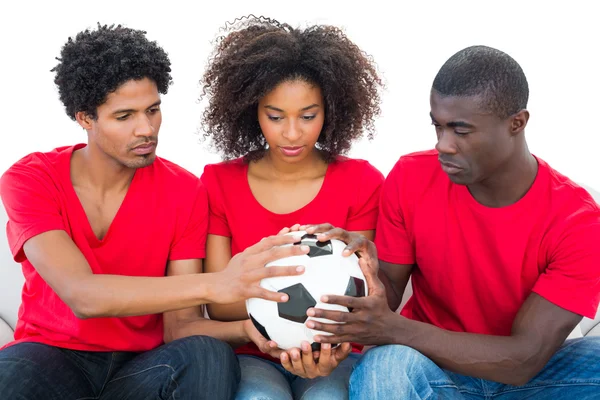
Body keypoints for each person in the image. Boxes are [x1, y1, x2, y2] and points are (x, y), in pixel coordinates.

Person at [0, 23, 308, 400]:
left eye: (153, 109)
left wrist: (251, 329)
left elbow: (181, 326)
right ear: (85, 118)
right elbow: (83, 296)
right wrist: (219, 283)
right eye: (124, 116)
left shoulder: (184, 190)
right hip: (52, 358)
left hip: (143, 366)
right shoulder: (31, 179)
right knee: (10, 372)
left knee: (208, 354)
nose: (146, 129)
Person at [297, 45, 600, 399]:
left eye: (461, 131)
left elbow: (523, 359)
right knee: (386, 367)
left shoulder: (578, 222)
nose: (444, 145)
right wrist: (358, 268)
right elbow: (390, 292)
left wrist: (395, 329)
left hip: (534, 377)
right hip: (429, 366)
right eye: (438, 127)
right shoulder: (411, 177)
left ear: (516, 123)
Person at [197, 15, 385, 400]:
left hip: (336, 353)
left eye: (308, 115)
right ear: (252, 110)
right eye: (275, 116)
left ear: (330, 110)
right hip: (253, 353)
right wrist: (277, 323)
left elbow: (360, 296)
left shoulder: (362, 182)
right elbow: (219, 306)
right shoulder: (220, 182)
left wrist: (323, 342)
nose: (292, 133)